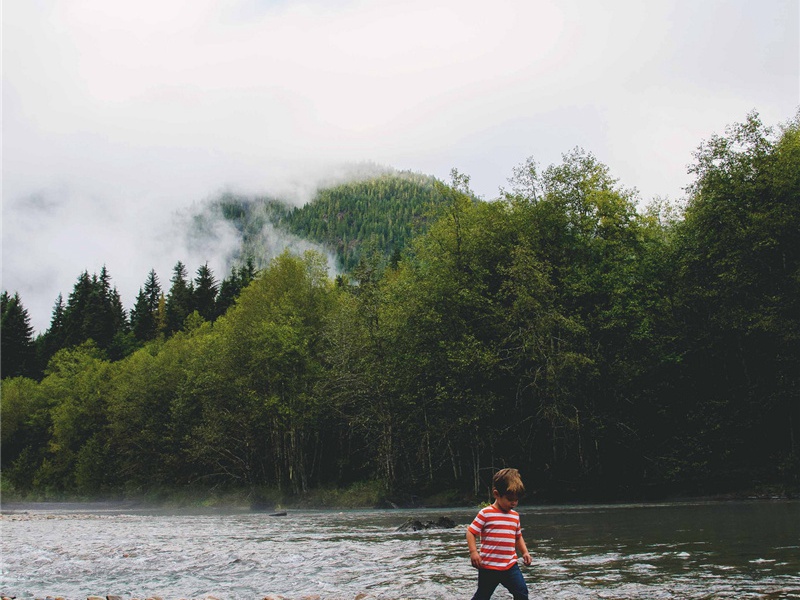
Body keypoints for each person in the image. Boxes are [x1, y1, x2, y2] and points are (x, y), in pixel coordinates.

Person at [466, 468, 532, 600]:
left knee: (522, 593)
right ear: (496, 494)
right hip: (488, 567)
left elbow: (518, 536)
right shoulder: (486, 513)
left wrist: (525, 552)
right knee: (483, 596)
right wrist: (474, 552)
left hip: (510, 566)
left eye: (516, 500)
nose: (514, 503)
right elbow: (471, 532)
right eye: (510, 499)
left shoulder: (514, 516)